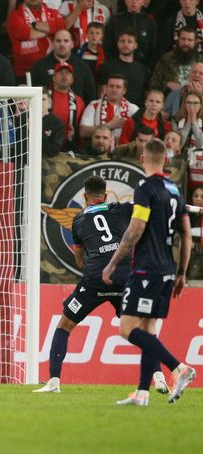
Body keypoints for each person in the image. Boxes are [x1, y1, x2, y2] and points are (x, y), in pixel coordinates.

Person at [34, 175, 169, 393]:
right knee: (142, 329)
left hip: (96, 279)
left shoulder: (77, 220)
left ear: (85, 196)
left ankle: (54, 383)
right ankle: (160, 377)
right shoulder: (123, 209)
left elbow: (79, 258)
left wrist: (90, 272)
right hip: (124, 276)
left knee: (64, 326)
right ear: (105, 195)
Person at [102, 138, 196, 406]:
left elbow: (135, 229)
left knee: (127, 328)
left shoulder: (144, 188)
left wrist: (112, 263)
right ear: (165, 159)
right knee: (148, 330)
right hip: (166, 270)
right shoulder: (174, 190)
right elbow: (187, 235)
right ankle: (142, 393)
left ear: (143, 158)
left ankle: (180, 368)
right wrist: (181, 273)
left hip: (145, 270)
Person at [150, 27, 203, 97]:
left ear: (195, 42)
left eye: (190, 40)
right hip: (170, 101)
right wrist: (167, 84)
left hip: (196, 103)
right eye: (183, 39)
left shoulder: (200, 60)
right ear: (178, 40)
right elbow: (152, 84)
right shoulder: (167, 59)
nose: (186, 43)